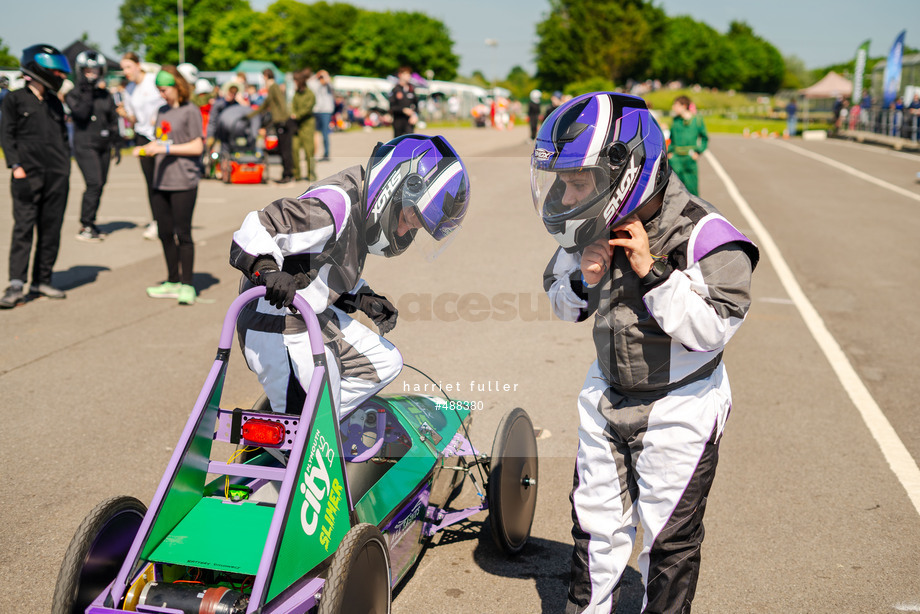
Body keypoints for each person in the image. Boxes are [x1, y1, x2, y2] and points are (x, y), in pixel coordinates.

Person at [531, 92, 758, 613]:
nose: (567, 194)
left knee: (667, 541)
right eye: (563, 180)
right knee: (594, 529)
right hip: (607, 390)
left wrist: (652, 273)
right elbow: (562, 305)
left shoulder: (707, 233)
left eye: (578, 180)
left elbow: (714, 328)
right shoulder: (586, 220)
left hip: (683, 400)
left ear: (626, 168)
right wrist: (584, 281)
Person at [229, 133, 470, 418]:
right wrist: (267, 269)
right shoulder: (335, 205)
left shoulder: (360, 208)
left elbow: (323, 265)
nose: (404, 231)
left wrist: (362, 298)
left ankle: (312, 423)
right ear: (396, 185)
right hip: (274, 321)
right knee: (317, 419)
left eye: (414, 227)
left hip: (309, 315)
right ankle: (303, 437)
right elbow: (260, 223)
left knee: (385, 363)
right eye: (407, 218)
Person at [0, 44, 72, 308]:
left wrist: (65, 169)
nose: (61, 76)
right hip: (26, 176)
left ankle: (42, 280)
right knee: (23, 229)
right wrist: (15, 166)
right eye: (56, 71)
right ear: (39, 67)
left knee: (51, 229)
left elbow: (64, 139)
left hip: (56, 176)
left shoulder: (54, 102)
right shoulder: (14, 99)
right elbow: (6, 134)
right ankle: (16, 284)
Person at [134, 66, 204, 306]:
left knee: (182, 234)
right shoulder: (162, 110)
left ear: (177, 86)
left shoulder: (190, 110)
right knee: (164, 232)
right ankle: (173, 280)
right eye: (159, 91)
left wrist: (163, 148)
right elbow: (162, 139)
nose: (162, 95)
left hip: (183, 180)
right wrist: (146, 149)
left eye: (164, 90)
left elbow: (197, 146)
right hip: (160, 179)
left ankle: (188, 284)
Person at [66, 50, 119, 243]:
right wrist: (87, 89)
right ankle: (85, 224)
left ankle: (92, 221)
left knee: (101, 184)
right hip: (84, 144)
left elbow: (112, 119)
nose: (92, 73)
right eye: (88, 70)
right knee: (93, 183)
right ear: (81, 71)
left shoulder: (105, 95)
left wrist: (117, 143)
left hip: (103, 145)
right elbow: (80, 114)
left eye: (95, 70)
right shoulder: (74, 94)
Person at [119, 52, 164, 240]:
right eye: (123, 68)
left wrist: (159, 119)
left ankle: (168, 220)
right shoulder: (128, 89)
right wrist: (124, 114)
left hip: (161, 135)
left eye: (128, 67)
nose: (126, 71)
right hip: (142, 137)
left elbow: (165, 100)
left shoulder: (153, 80)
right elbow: (134, 118)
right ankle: (156, 221)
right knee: (150, 182)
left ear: (138, 65)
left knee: (164, 179)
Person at [252, 68, 294, 183]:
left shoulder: (273, 87)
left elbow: (280, 103)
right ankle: (287, 173)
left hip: (282, 121)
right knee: (283, 148)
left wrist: (284, 117)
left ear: (265, 76)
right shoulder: (273, 87)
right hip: (281, 120)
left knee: (285, 149)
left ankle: (287, 174)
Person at [668, 95, 708, 196]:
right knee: (675, 190)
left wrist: (698, 151)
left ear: (684, 106)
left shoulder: (697, 120)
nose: (673, 108)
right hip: (676, 158)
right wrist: (670, 153)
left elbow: (704, 138)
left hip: (689, 158)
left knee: (692, 189)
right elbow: (671, 139)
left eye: (676, 105)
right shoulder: (675, 120)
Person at [291, 69, 317, 182]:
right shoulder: (296, 94)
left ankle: (311, 174)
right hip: (296, 125)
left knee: (308, 151)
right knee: (294, 149)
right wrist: (293, 114)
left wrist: (296, 115)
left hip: (307, 125)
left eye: (295, 81)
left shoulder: (310, 94)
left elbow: (307, 108)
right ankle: (296, 174)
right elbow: (292, 105)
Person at [309, 69, 334, 161]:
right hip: (316, 110)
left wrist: (326, 76)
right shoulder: (315, 84)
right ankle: (315, 153)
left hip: (326, 111)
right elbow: (309, 83)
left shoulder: (329, 85)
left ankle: (326, 154)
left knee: (324, 133)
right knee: (315, 133)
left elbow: (330, 84)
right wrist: (317, 75)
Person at [389, 66, 418, 138]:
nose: (408, 76)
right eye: (406, 74)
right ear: (400, 75)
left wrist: (415, 115)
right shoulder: (395, 90)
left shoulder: (411, 89)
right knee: (398, 143)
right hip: (398, 121)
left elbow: (416, 104)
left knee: (410, 141)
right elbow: (392, 107)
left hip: (409, 121)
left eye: (409, 74)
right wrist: (403, 110)